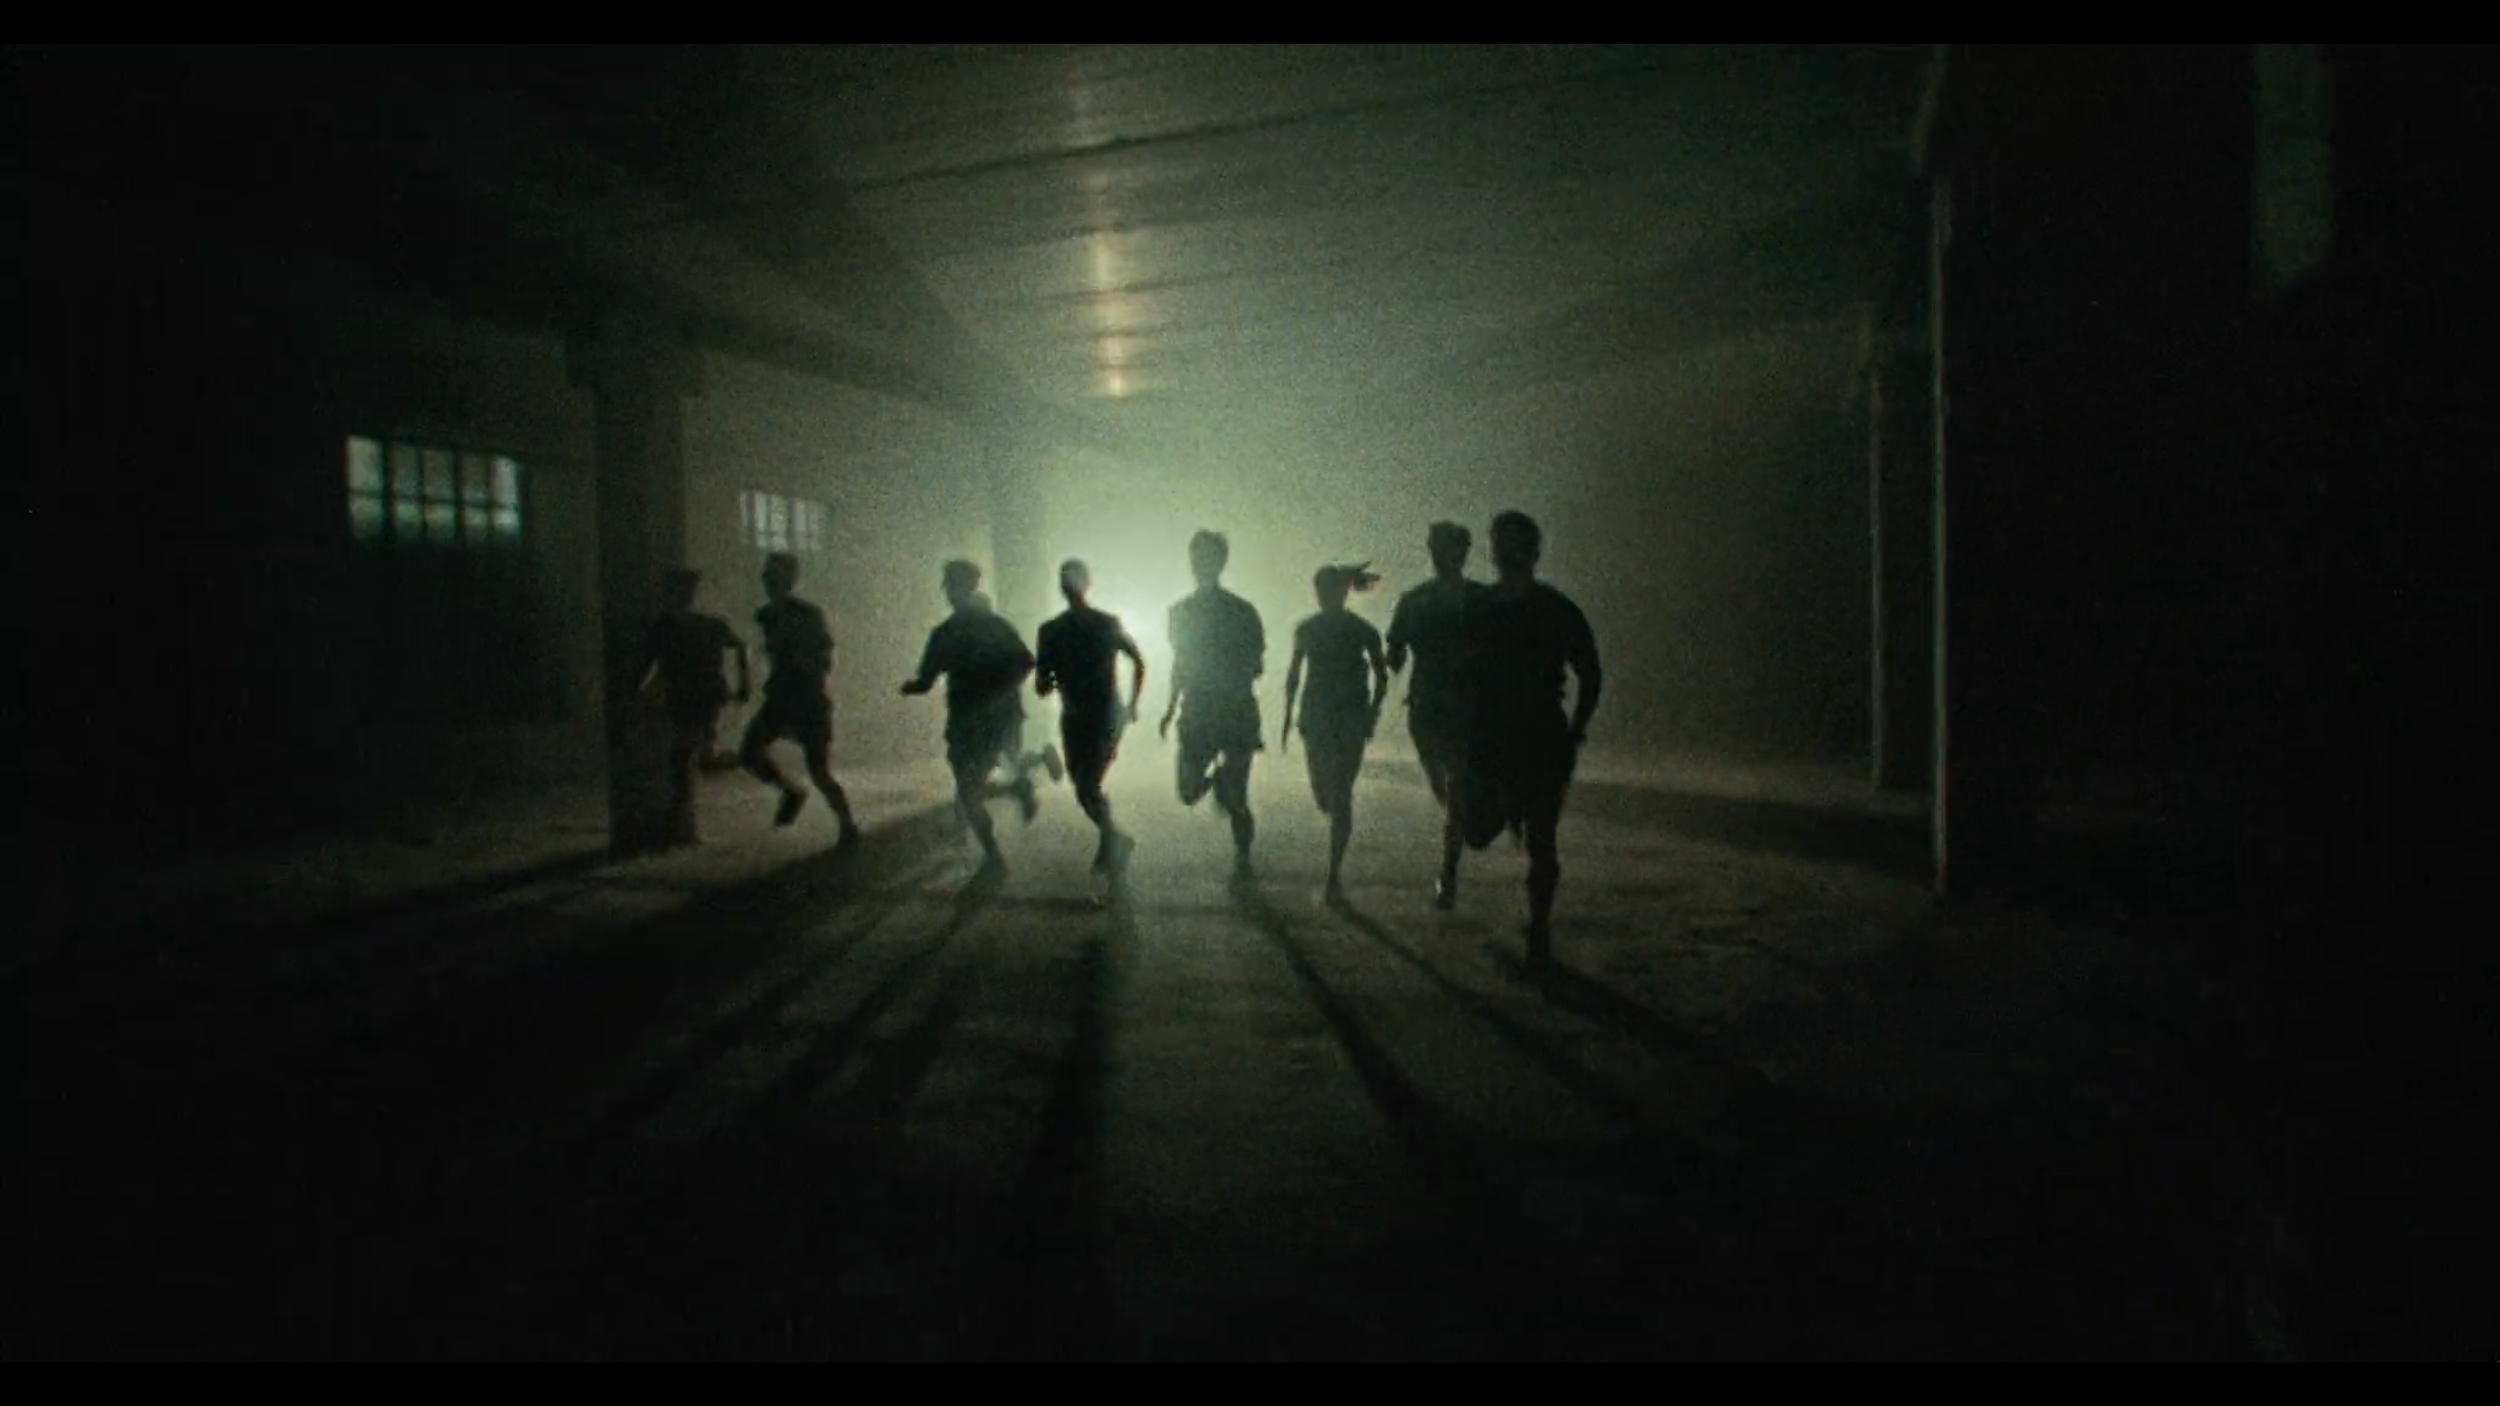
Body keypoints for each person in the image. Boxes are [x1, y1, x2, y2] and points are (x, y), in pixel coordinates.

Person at [1457, 511, 1602, 967]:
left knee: (1520, 836)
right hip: (1527, 734)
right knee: (1531, 838)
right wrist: (1577, 725)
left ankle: (1539, 930)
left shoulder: (1489, 608)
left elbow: (1591, 673)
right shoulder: (1551, 607)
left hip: (1515, 735)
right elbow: (1591, 674)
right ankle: (1538, 927)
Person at [902, 560, 1063, 875]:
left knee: (968, 789)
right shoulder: (998, 626)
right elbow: (1026, 663)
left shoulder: (945, 633)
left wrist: (910, 688)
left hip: (966, 719)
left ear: (950, 590)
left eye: (949, 585)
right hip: (1003, 714)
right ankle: (1026, 778)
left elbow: (925, 680)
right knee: (1004, 762)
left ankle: (993, 853)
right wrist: (1002, 688)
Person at [1386, 521, 1491, 908]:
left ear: (1461, 552)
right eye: (1435, 547)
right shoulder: (1415, 601)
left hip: (1464, 710)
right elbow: (1395, 653)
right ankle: (1464, 830)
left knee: (1455, 789)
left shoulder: (1480, 600)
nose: (1438, 555)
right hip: (1429, 710)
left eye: (1445, 547)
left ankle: (1448, 872)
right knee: (1444, 789)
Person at [1160, 529, 1267, 880]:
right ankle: (1221, 783)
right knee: (1190, 791)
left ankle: (1243, 857)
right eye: (1197, 557)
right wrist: (1170, 706)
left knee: (1235, 796)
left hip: (1224, 709)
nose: (1199, 564)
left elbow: (1252, 664)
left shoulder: (1231, 611)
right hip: (1211, 708)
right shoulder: (1185, 612)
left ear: (1220, 562)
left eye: (1205, 557)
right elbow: (1182, 663)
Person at [1283, 563, 1390, 905]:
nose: (1324, 597)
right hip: (1316, 718)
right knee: (1324, 795)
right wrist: (1288, 716)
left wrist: (1371, 714)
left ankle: (1333, 874)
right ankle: (1334, 868)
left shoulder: (1362, 630)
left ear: (1342, 593)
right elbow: (1294, 673)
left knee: (1340, 792)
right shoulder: (1308, 629)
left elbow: (1381, 676)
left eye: (1329, 590)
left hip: (1348, 719)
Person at [740, 550, 862, 846]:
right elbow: (758, 653)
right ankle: (791, 792)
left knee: (820, 771)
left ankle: (847, 824)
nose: (769, 581)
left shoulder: (807, 614)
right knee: (749, 752)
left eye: (775, 576)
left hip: (807, 699)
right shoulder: (766, 615)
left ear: (789, 579)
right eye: (767, 576)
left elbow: (824, 656)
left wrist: (804, 665)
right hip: (782, 697)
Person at [1036, 558, 1146, 880]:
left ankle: (1112, 841)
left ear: (1064, 587)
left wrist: (1055, 677)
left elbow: (1043, 686)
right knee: (1087, 786)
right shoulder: (1103, 624)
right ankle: (1112, 840)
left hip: (1087, 717)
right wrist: (1132, 704)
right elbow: (1138, 661)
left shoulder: (1053, 631)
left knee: (1086, 787)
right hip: (1097, 715)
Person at [640, 568, 749, 848]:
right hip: (698, 697)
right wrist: (742, 684)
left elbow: (646, 663)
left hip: (694, 698)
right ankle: (681, 824)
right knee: (687, 758)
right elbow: (738, 647)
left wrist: (636, 691)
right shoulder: (706, 626)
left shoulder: (677, 627)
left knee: (683, 759)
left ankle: (680, 826)